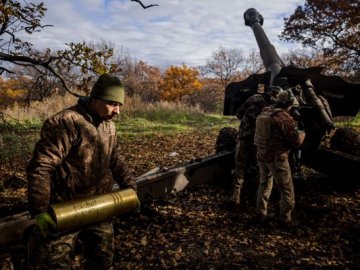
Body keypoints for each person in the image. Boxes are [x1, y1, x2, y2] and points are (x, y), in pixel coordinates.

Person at [26, 73, 136, 269]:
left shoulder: (108, 126)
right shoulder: (66, 122)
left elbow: (115, 159)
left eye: (120, 105)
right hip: (64, 211)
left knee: (102, 261)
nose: (117, 111)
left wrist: (131, 189)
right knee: (53, 265)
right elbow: (41, 166)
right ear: (94, 99)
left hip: (100, 207)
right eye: (112, 103)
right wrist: (40, 212)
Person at [254, 89, 305, 227]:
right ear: (288, 103)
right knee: (287, 189)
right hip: (277, 158)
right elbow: (296, 142)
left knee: (264, 184)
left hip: (262, 155)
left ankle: (261, 213)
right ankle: (285, 219)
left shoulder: (265, 111)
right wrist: (302, 133)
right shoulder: (283, 117)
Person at [229, 86, 282, 209]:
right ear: (276, 95)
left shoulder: (253, 97)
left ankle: (235, 196)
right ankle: (254, 198)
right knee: (258, 168)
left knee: (240, 166)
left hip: (243, 137)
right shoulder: (273, 106)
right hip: (258, 141)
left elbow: (238, 114)